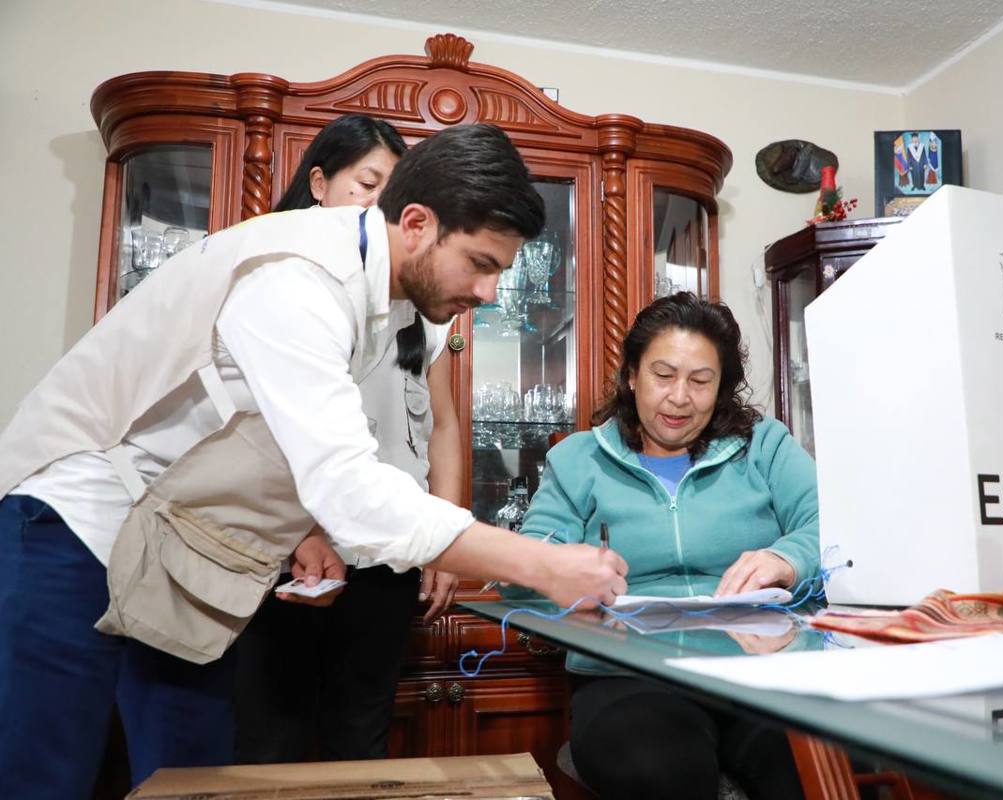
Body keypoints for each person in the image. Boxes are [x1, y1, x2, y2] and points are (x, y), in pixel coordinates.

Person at [0, 123, 627, 798]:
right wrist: (543, 564)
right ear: (415, 223)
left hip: (180, 542)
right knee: (45, 773)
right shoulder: (297, 280)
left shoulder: (375, 294)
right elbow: (349, 489)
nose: (486, 293)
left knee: (191, 773)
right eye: (480, 263)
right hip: (71, 525)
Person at [513, 292, 819, 800]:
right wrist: (567, 570)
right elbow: (528, 561)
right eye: (663, 375)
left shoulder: (764, 445)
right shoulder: (578, 460)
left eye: (701, 381)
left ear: (721, 389)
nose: (680, 397)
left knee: (815, 764)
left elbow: (830, 525)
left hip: (759, 668)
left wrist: (786, 558)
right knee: (660, 769)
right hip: (625, 677)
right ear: (632, 375)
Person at [233, 113, 462, 763]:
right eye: (367, 183)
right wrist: (302, 528)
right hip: (289, 544)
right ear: (319, 184)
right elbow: (261, 425)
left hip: (387, 550)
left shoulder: (419, 304)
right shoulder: (284, 280)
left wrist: (443, 538)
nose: (378, 204)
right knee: (268, 737)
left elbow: (443, 426)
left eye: (394, 192)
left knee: (359, 735)